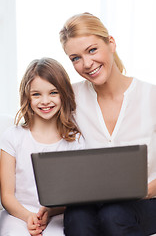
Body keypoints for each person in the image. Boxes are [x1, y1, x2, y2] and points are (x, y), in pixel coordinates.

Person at [58, 12, 156, 236]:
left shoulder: (151, 96)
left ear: (110, 43)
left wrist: (142, 192)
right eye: (75, 58)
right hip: (93, 199)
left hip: (148, 199)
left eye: (92, 50)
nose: (87, 64)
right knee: (77, 216)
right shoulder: (71, 97)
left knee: (114, 214)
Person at [0, 57, 84, 236]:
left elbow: (75, 195)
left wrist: (49, 212)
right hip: (17, 215)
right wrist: (28, 216)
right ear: (27, 97)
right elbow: (7, 196)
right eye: (36, 94)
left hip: (57, 215)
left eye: (53, 92)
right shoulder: (12, 137)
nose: (45, 101)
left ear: (63, 94)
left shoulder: (75, 140)